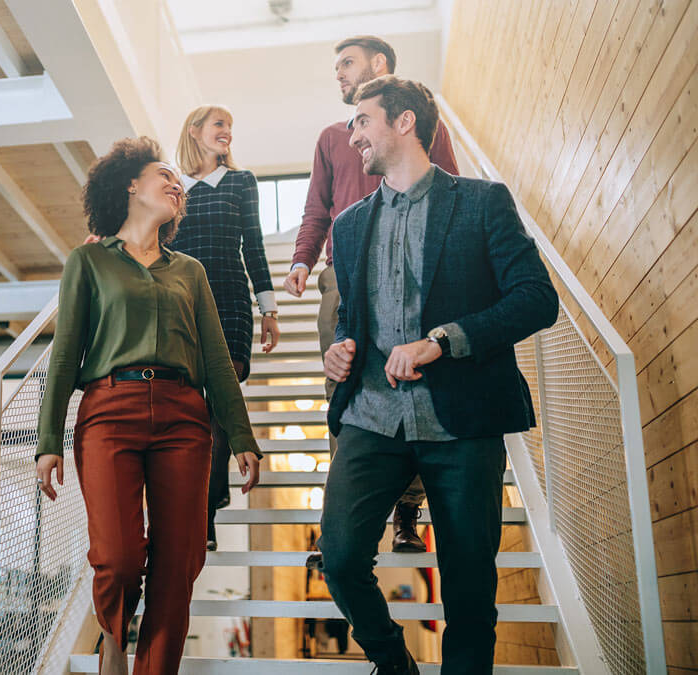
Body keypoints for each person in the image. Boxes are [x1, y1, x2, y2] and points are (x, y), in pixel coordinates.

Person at [318, 76, 557, 674]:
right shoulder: (346, 227)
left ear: (404, 123)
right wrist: (340, 350)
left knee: (470, 589)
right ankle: (395, 667)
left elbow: (536, 299)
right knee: (342, 558)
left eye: (362, 122)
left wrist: (441, 342)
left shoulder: (482, 201)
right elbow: (353, 320)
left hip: (464, 421)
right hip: (371, 416)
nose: (353, 138)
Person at [35, 137, 263, 675]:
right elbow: (65, 355)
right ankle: (113, 639)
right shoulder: (89, 260)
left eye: (178, 182)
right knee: (118, 556)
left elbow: (216, 360)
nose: (176, 184)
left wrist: (243, 435)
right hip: (109, 412)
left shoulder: (190, 271)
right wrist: (47, 441)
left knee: (179, 562)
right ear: (131, 185)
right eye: (165, 174)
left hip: (186, 419)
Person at [285, 35, 459, 554]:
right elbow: (317, 207)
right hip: (344, 278)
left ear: (378, 64)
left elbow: (450, 189)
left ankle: (407, 514)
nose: (338, 73)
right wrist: (302, 258)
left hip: (418, 275)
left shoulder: (424, 126)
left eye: (347, 64)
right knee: (344, 393)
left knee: (415, 388)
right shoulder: (331, 139)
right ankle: (338, 522)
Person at [171, 104, 280, 552]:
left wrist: (268, 308)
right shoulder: (173, 187)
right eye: (220, 125)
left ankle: (205, 515)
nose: (227, 133)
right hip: (182, 305)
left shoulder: (241, 181)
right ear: (195, 131)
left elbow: (253, 244)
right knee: (192, 412)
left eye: (231, 127)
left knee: (217, 409)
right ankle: (201, 502)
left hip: (231, 302)